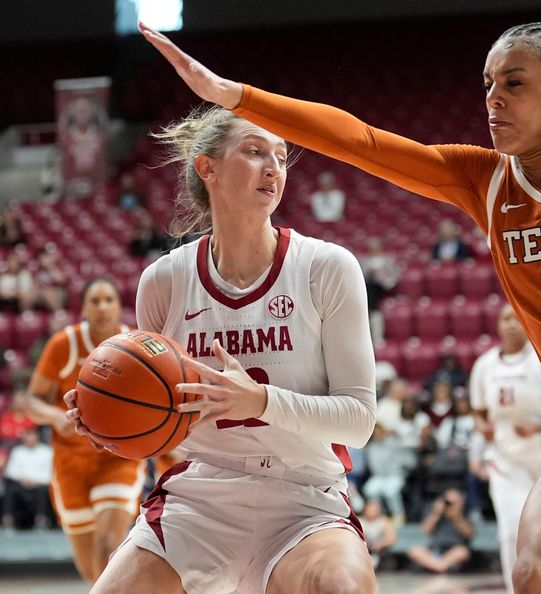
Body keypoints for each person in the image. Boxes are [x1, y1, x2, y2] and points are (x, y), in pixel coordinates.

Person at [142, 20, 541, 593]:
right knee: (540, 572)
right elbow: (362, 142)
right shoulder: (483, 181)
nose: (493, 99)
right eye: (487, 84)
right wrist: (236, 97)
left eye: (514, 83)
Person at [65, 103, 377, 594]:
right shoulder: (164, 280)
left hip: (303, 496)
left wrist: (259, 402)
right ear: (206, 167)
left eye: (279, 156)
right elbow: (161, 422)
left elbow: (358, 421)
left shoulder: (327, 267)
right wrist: (110, 422)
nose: (274, 167)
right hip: (200, 497)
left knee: (343, 588)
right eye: (255, 152)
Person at [23, 277, 143, 582]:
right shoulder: (64, 344)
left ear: (119, 306)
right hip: (70, 464)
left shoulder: (135, 344)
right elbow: (32, 400)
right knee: (91, 570)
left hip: (119, 458)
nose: (102, 307)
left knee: (108, 549)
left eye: (109, 300)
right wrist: (54, 416)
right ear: (84, 309)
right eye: (95, 301)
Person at [470, 302, 541, 593]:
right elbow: (479, 413)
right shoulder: (484, 365)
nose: (510, 324)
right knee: (510, 531)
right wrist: (484, 428)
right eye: (505, 318)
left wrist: (538, 427)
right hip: (506, 461)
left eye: (516, 318)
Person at [406, 488, 473, 574]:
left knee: (462, 552)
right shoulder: (436, 514)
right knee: (414, 551)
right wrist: (436, 513)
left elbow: (469, 533)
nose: (449, 505)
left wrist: (456, 517)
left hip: (453, 549)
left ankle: (435, 567)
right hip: (435, 549)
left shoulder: (466, 514)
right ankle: (441, 567)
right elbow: (425, 530)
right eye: (447, 502)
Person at [1, 426, 53, 530]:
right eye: (28, 435)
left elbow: (50, 473)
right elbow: (11, 471)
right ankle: (7, 519)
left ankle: (41, 520)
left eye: (32, 435)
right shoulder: (17, 451)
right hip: (21, 484)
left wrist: (35, 481)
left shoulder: (47, 451)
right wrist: (23, 480)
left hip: (40, 484)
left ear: (37, 436)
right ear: (24, 437)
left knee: (41, 491)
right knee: (11, 490)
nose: (30, 438)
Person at [360, 498, 397, 570]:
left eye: (374, 510)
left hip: (380, 549)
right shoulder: (360, 520)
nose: (371, 512)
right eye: (369, 509)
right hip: (363, 547)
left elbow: (391, 538)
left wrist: (380, 544)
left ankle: (373, 566)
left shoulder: (384, 521)